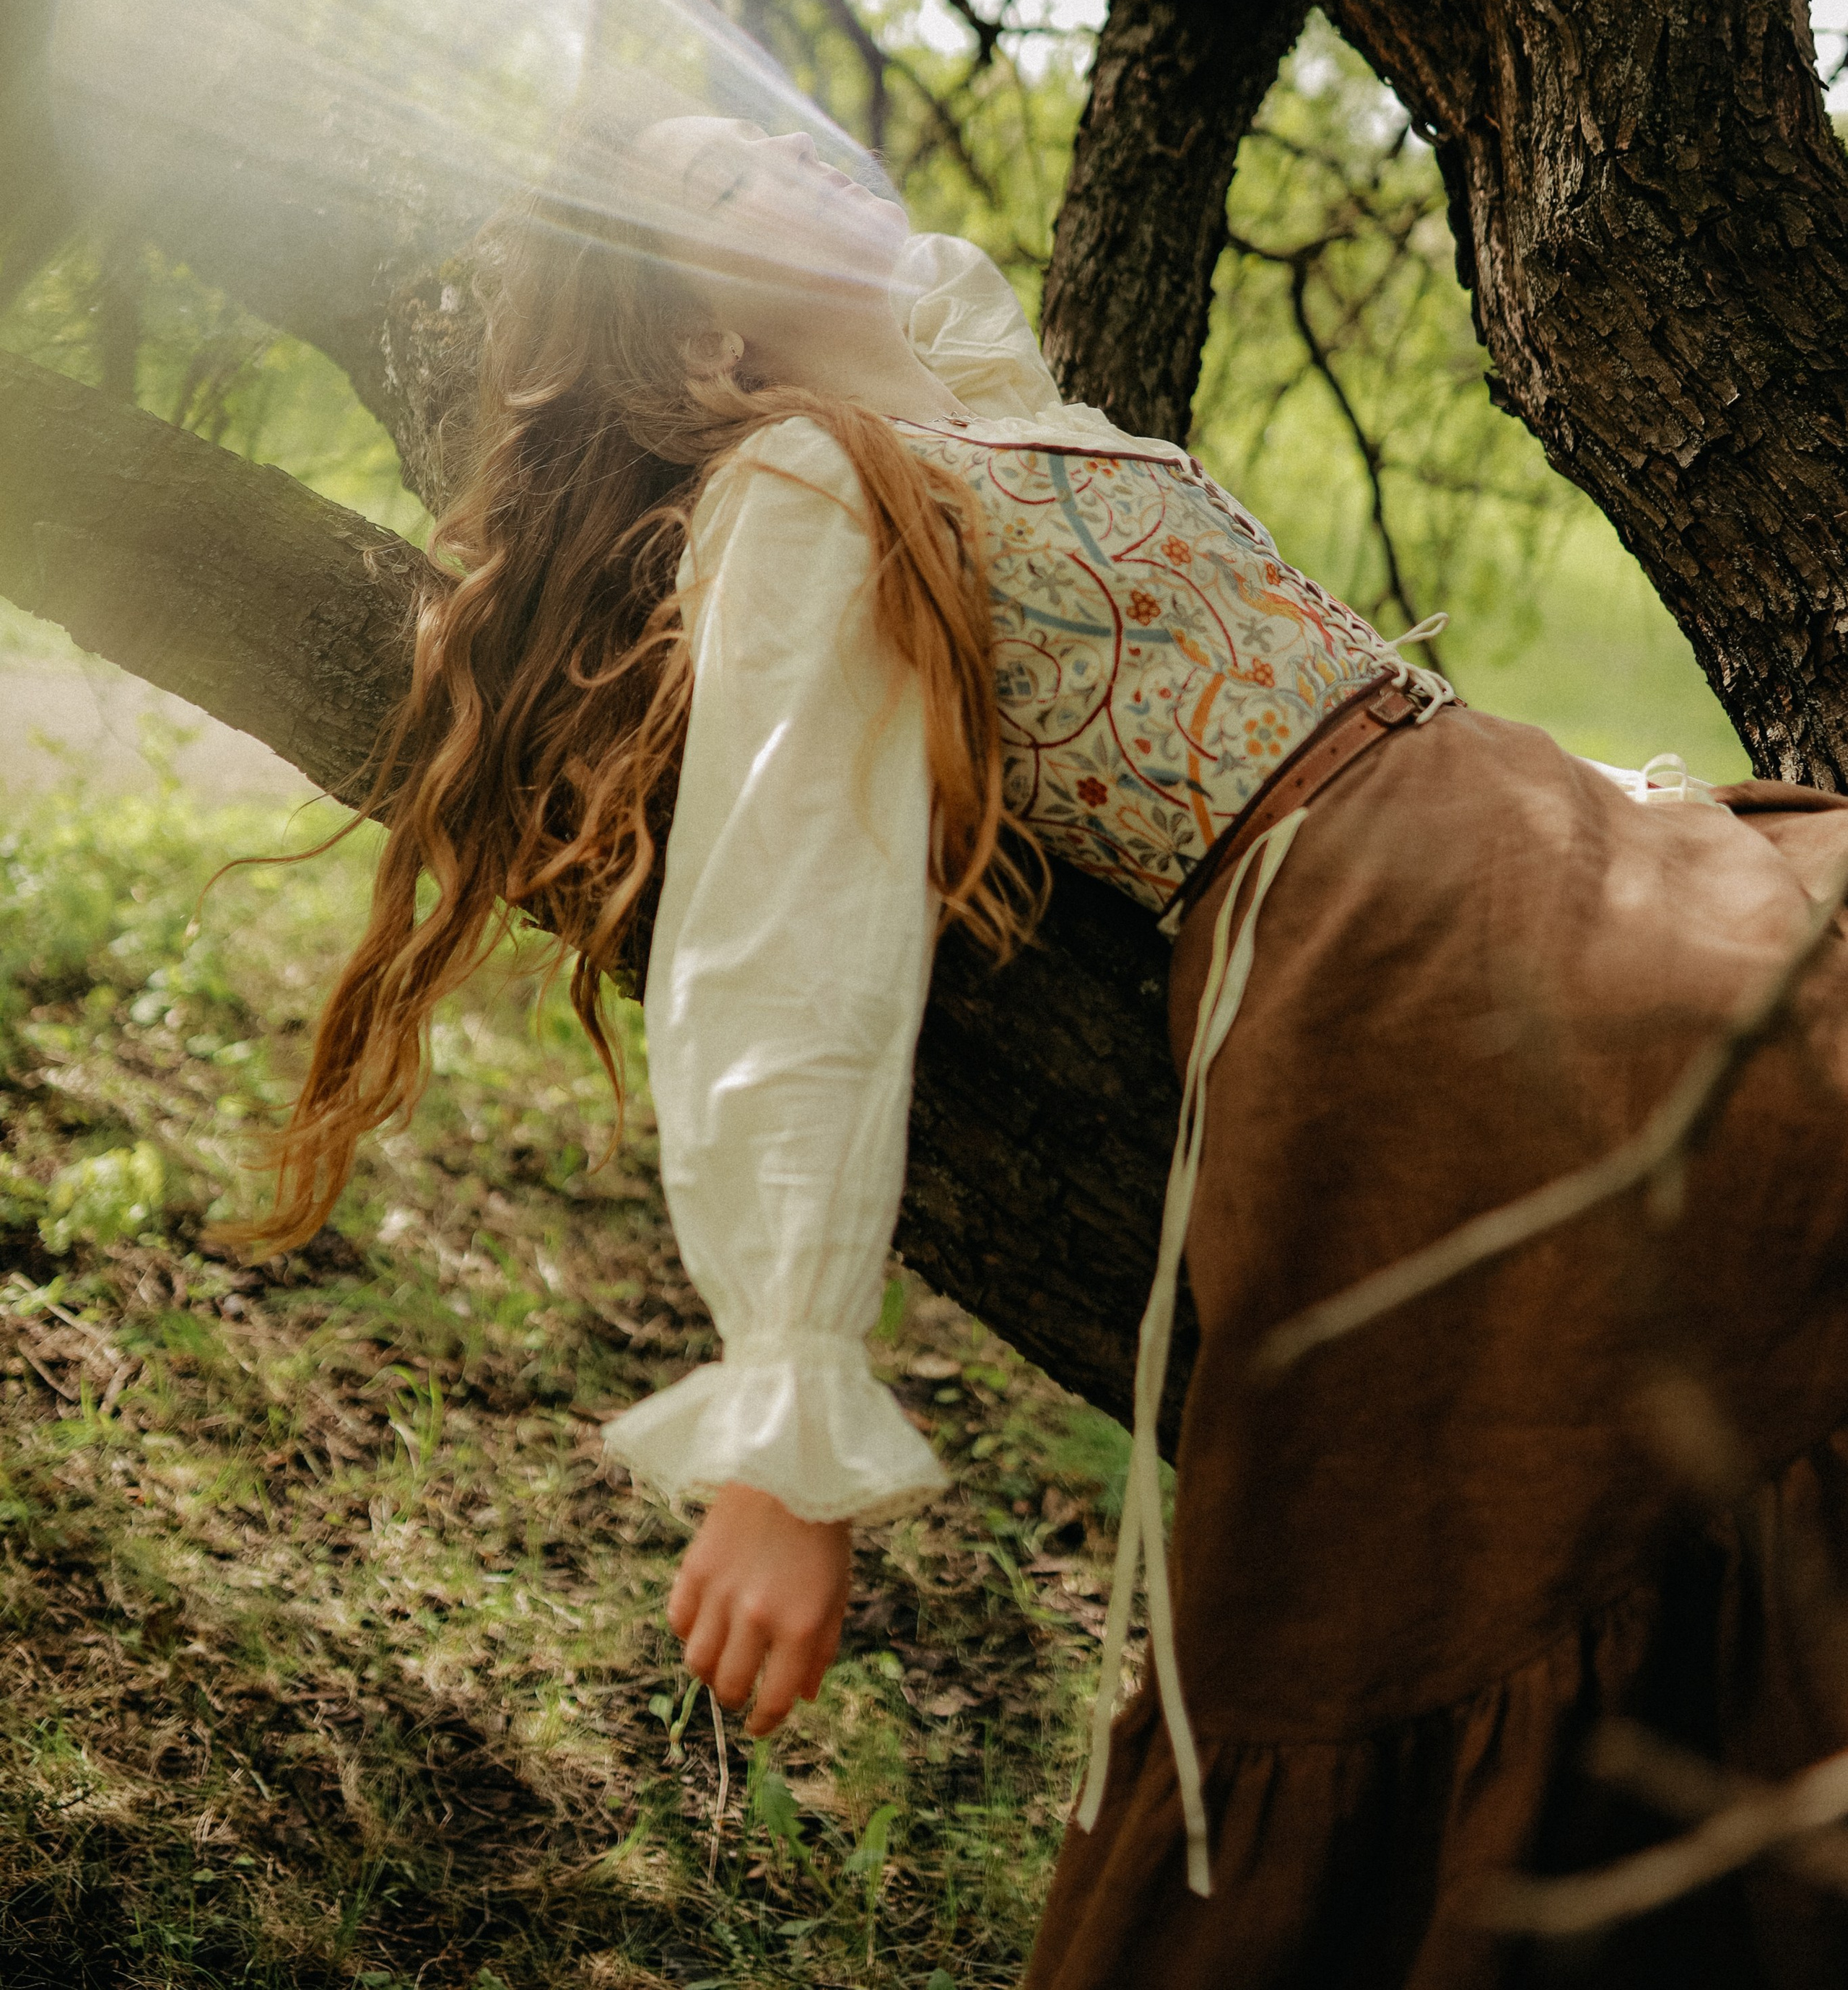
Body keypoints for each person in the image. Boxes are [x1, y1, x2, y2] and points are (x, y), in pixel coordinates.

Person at [261, 106, 1848, 1987]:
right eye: (712, 186)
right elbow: (785, 918)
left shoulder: (978, 419)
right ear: (704, 347)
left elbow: (936, 294)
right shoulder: (803, 484)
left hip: (1533, 836)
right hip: (1391, 927)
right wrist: (785, 1419)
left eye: (774, 135)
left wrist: (814, 251)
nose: (796, 153)